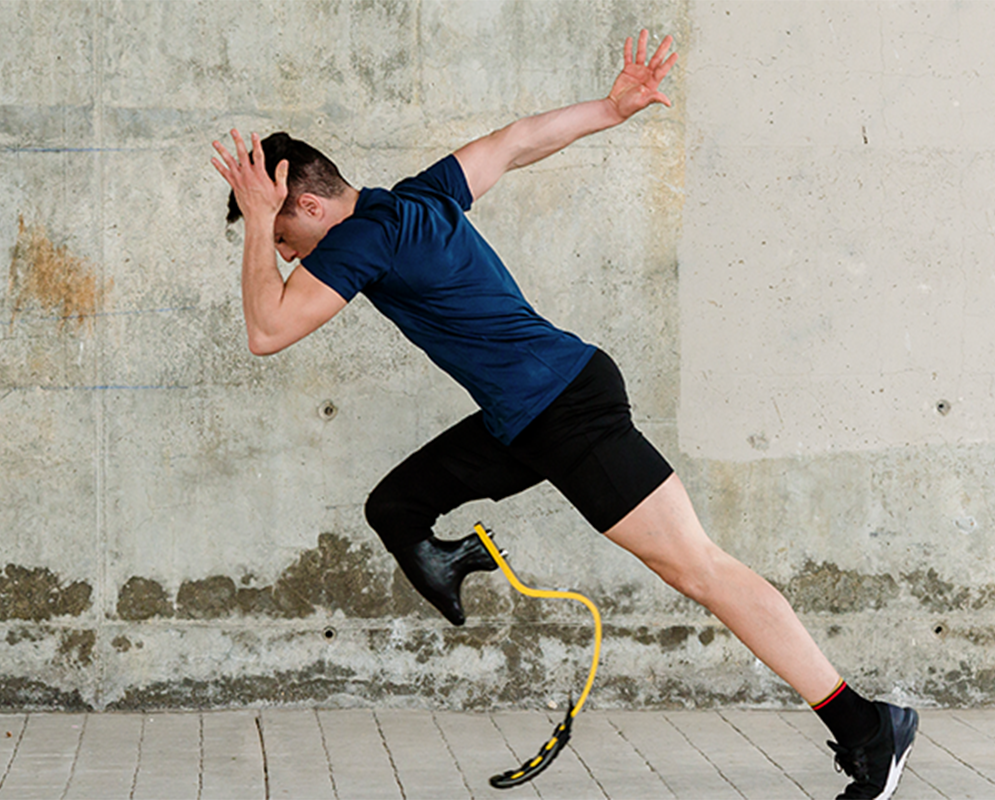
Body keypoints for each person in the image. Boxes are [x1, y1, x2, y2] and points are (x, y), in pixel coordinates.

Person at [211, 30, 917, 800]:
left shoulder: (357, 241)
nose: (285, 256)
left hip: (566, 411)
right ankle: (458, 560)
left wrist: (255, 219)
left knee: (700, 569)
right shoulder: (417, 197)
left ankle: (868, 728)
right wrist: (609, 109)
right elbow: (512, 144)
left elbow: (266, 331)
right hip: (529, 414)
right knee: (397, 505)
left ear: (309, 206)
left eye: (286, 236)